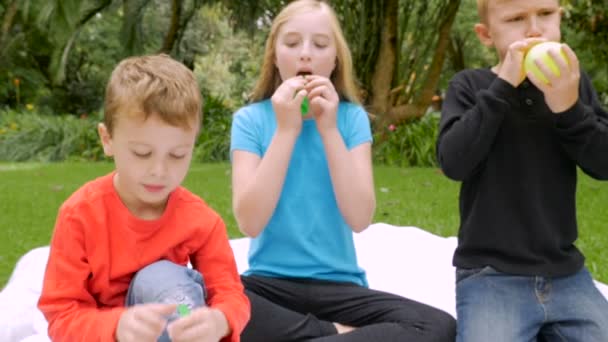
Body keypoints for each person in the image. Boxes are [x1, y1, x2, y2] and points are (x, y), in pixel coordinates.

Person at [230, 1, 456, 341]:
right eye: (292, 43)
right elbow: (250, 222)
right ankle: (333, 334)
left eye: (320, 45)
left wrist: (329, 129)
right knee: (201, 295)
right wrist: (286, 130)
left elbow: (359, 217)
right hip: (269, 287)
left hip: (340, 288)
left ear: (335, 60)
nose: (305, 54)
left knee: (436, 326)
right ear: (274, 57)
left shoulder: (350, 120)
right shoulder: (250, 121)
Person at [38, 54, 250, 342]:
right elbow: (62, 315)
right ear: (107, 139)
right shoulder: (80, 215)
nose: (159, 171)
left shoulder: (201, 220)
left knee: (169, 288)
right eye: (142, 153)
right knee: (160, 281)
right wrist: (118, 327)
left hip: (175, 322)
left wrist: (219, 320)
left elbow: (229, 292)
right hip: (105, 335)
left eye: (177, 155)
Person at [437, 0, 608, 341]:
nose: (534, 29)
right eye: (516, 19)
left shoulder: (572, 84)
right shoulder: (469, 86)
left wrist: (569, 109)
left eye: (545, 14)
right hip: (490, 274)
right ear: (486, 35)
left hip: (565, 271)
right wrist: (502, 86)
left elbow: (603, 164)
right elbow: (453, 162)